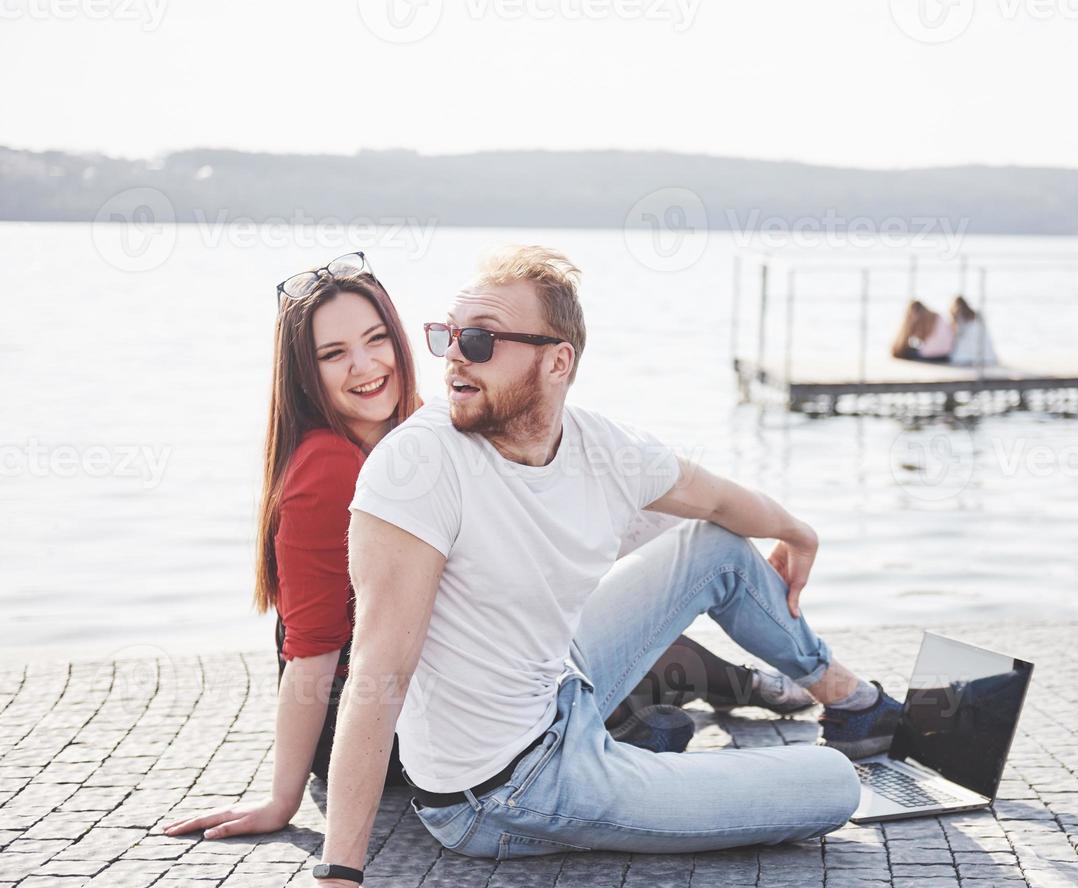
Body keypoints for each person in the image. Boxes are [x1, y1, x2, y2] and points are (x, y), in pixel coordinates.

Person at [223, 246, 904, 888]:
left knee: (717, 546)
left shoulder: (599, 445)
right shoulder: (413, 465)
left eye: (479, 341)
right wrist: (337, 878)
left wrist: (798, 531)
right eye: (447, 337)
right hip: (503, 790)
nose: (454, 358)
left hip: (559, 690)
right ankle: (638, 762)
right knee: (830, 786)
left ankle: (851, 702)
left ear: (556, 363)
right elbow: (374, 673)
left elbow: (718, 499)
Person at [162, 253, 808, 844]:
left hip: (456, 669)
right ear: (306, 376)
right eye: (334, 354)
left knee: (607, 580)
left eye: (377, 339)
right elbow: (312, 652)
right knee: (566, 629)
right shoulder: (326, 470)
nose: (365, 366)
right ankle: (690, 705)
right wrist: (284, 801)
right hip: (382, 723)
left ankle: (686, 706)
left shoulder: (437, 424)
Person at [947, 295, 999, 368]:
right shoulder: (976, 314)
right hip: (985, 352)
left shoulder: (958, 316)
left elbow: (956, 334)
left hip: (966, 353)